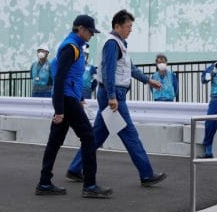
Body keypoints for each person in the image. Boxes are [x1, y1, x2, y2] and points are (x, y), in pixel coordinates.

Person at [66, 10, 167, 188]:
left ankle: (75, 168)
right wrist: (113, 96)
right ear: (117, 26)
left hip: (111, 95)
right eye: (128, 26)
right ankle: (146, 173)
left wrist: (149, 80)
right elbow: (108, 71)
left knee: (97, 135)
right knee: (130, 134)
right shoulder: (112, 44)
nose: (130, 30)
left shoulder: (120, 44)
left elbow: (131, 69)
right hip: (113, 96)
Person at [37, 14, 112, 198]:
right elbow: (60, 78)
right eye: (90, 32)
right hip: (66, 100)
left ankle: (44, 182)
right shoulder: (71, 48)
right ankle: (90, 185)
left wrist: (76, 98)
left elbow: (69, 77)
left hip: (69, 99)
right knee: (88, 137)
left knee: (55, 141)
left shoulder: (74, 47)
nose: (92, 36)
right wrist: (60, 109)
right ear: (80, 29)